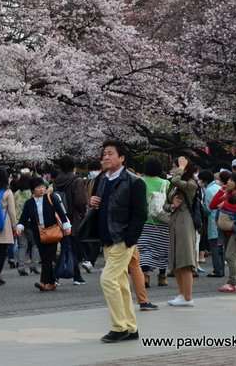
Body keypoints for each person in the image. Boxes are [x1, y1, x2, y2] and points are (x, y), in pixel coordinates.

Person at [87, 140, 147, 343]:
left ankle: (119, 327)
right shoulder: (102, 179)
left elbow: (140, 214)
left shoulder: (134, 182)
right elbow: (101, 206)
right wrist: (93, 202)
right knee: (120, 284)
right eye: (104, 153)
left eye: (110, 153)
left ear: (122, 158)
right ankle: (130, 327)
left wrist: (130, 239)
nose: (105, 157)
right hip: (107, 238)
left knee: (107, 279)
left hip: (122, 239)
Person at [16, 177, 71, 291]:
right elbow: (24, 217)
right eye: (38, 187)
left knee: (47, 258)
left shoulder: (51, 198)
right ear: (32, 190)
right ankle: (51, 283)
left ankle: (43, 282)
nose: (41, 189)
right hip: (38, 233)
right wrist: (20, 226)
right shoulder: (29, 203)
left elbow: (61, 212)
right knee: (46, 258)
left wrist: (66, 224)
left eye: (43, 187)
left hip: (52, 231)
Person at [165, 156, 199, 307]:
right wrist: (172, 205)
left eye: (176, 166)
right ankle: (181, 294)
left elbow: (176, 180)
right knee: (176, 261)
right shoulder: (173, 186)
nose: (173, 170)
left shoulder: (191, 183)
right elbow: (165, 205)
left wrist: (181, 168)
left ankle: (188, 297)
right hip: (174, 222)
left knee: (185, 261)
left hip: (185, 224)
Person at [52, 156, 89, 285]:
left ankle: (76, 275)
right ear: (73, 167)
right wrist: (83, 212)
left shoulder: (56, 181)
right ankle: (56, 276)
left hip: (60, 217)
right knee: (70, 246)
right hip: (73, 217)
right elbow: (80, 201)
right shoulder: (77, 180)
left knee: (67, 245)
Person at [137, 157, 171, 286]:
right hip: (161, 221)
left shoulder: (139, 181)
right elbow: (169, 201)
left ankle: (145, 275)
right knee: (162, 249)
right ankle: (162, 276)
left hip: (143, 221)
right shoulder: (165, 183)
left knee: (144, 249)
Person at [201, 170, 225, 278]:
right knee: (220, 247)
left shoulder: (208, 190)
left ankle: (217, 270)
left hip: (213, 220)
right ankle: (221, 269)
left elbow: (208, 209)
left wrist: (201, 206)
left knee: (214, 247)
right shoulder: (218, 187)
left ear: (204, 180)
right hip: (222, 219)